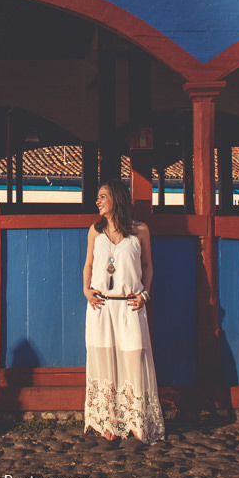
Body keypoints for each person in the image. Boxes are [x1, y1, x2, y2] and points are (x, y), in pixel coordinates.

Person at [82, 178, 165, 443]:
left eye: (102, 196)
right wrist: (86, 290)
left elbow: (148, 265)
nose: (98, 201)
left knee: (133, 361)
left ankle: (136, 422)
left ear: (116, 198)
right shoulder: (95, 231)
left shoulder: (139, 231)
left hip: (129, 305)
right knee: (104, 362)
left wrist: (145, 294)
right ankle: (108, 422)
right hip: (101, 306)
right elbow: (88, 264)